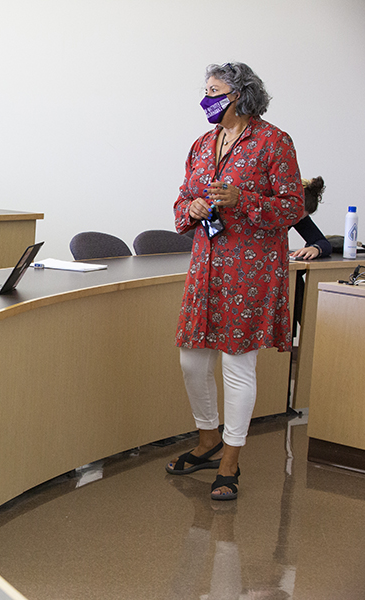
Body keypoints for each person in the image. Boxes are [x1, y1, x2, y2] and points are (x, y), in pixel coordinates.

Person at [166, 62, 304, 501]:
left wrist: (243, 199)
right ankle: (208, 437)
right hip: (206, 265)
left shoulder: (273, 141)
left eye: (215, 90)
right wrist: (190, 210)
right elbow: (183, 196)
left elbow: (293, 207)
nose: (206, 98)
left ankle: (230, 460)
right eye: (205, 90)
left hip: (250, 267)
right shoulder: (203, 144)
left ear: (240, 95)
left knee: (237, 365)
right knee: (192, 359)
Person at [289, 177, 331, 259]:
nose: (296, 221)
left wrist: (316, 249)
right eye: (295, 216)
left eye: (301, 218)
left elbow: (324, 243)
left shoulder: (299, 219)